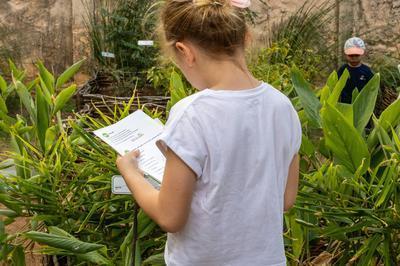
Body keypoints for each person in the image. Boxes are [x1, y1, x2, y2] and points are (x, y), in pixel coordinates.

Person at [116, 0, 302, 265]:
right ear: (246, 39)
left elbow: (170, 217)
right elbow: (285, 199)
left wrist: (131, 173)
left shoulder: (192, 113)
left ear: (185, 51)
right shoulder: (283, 106)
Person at [338, 37, 374, 103]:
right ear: (345, 54)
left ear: (362, 54)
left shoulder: (367, 71)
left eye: (357, 55)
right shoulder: (342, 70)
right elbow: (337, 88)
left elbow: (372, 90)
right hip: (344, 106)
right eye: (351, 55)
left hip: (361, 105)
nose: (354, 58)